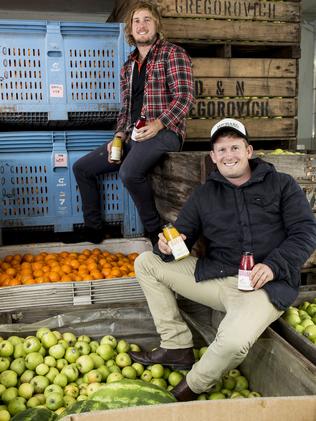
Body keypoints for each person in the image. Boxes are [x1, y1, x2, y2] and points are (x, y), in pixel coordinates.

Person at [129, 117, 316, 401]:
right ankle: (176, 344)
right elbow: (184, 237)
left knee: (232, 342)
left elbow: (305, 232)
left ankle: (183, 393)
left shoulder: (282, 185)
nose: (229, 155)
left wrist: (274, 266)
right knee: (146, 263)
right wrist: (167, 246)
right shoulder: (205, 194)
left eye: (235, 147)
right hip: (216, 279)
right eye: (222, 150)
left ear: (249, 151)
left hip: (263, 286)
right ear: (213, 157)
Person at [67, 1, 194, 244]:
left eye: (147, 19)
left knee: (129, 172)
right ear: (130, 28)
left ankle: (155, 232)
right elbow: (126, 109)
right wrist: (119, 136)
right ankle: (94, 229)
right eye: (136, 21)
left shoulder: (172, 53)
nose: (141, 25)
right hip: (134, 136)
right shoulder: (128, 67)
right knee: (82, 168)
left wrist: (158, 124)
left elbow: (185, 98)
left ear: (157, 24)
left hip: (165, 133)